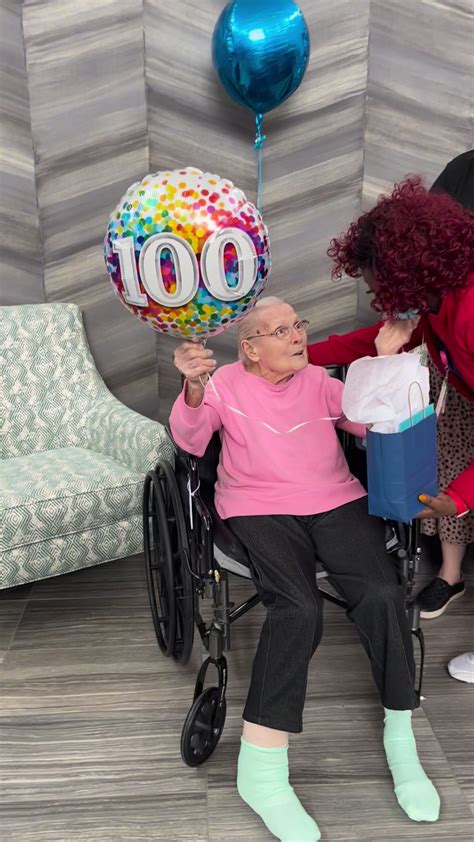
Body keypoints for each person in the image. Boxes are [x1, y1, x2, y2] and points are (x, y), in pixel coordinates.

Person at [170, 298, 440, 842]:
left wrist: (387, 363)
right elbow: (191, 441)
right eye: (282, 330)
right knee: (297, 606)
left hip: (335, 500)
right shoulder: (223, 383)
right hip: (256, 505)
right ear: (250, 347)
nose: (297, 336)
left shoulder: (320, 381)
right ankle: (261, 773)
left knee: (384, 593)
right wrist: (193, 391)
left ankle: (401, 738)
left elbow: (372, 424)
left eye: (299, 325)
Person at [307, 172, 474, 622]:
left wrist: (459, 496)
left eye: (376, 285)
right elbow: (376, 338)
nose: (376, 296)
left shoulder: (469, 313)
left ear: (407, 272)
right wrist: (305, 354)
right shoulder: (437, 302)